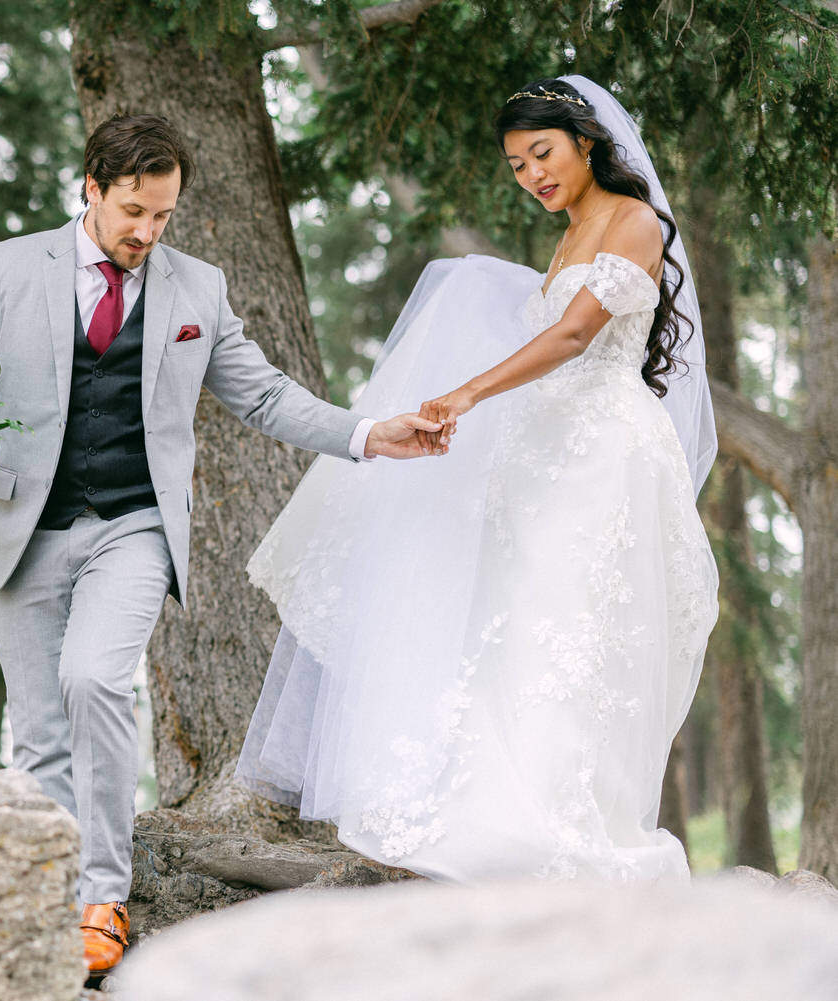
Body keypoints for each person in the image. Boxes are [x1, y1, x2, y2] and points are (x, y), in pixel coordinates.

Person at [0, 113, 443, 981]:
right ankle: (44, 896)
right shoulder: (8, 266)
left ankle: (102, 897)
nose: (146, 231)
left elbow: (266, 395)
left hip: (133, 525)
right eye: (133, 210)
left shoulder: (196, 290)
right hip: (21, 521)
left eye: (163, 215)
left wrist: (368, 433)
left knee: (95, 677)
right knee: (38, 732)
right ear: (92, 188)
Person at [238, 76, 719, 883]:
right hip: (549, 455)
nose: (532, 174)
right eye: (516, 164)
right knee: (523, 622)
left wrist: (466, 390)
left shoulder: (634, 221)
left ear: (587, 143)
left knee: (579, 628)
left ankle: (574, 825)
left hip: (607, 457)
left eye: (543, 153)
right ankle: (504, 810)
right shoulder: (566, 239)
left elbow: (572, 336)